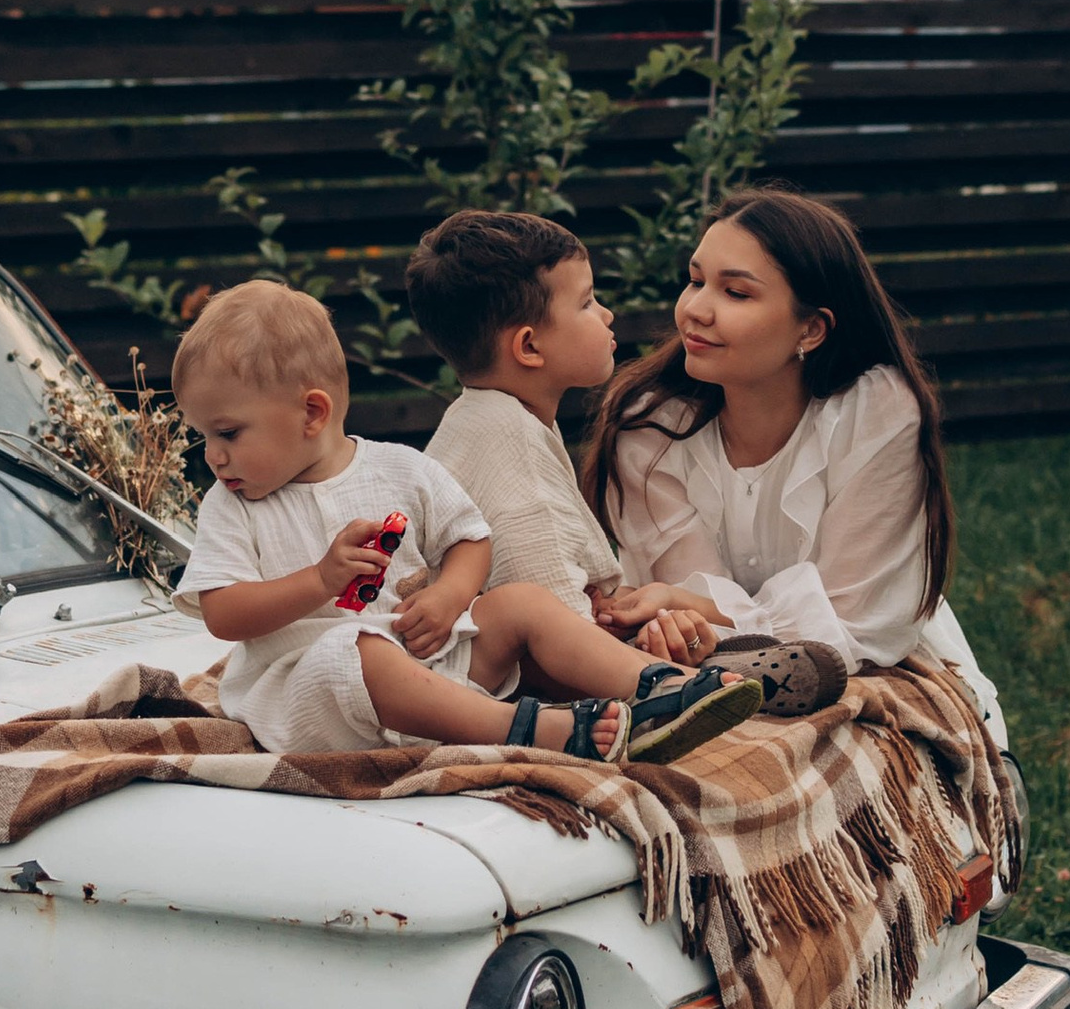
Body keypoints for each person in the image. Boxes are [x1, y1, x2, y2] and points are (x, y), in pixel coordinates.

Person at [170, 279, 764, 764]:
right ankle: (537, 729)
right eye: (204, 437)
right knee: (354, 648)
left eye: (226, 434)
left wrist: (453, 596)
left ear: (312, 412)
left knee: (521, 602)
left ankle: (662, 690)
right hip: (307, 693)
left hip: (428, 661)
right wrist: (319, 581)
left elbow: (470, 539)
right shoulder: (233, 506)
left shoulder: (398, 469)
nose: (212, 457)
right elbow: (223, 614)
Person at [585, 189, 1001, 722]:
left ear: (811, 329)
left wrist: (689, 607)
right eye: (695, 280)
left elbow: (854, 622)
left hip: (874, 664)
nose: (694, 309)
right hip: (698, 671)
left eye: (735, 292)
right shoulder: (648, 428)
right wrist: (685, 612)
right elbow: (695, 626)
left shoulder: (876, 412)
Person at [409, 207, 847, 711]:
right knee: (629, 649)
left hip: (505, 651)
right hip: (491, 674)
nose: (606, 315)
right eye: (587, 303)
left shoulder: (494, 420)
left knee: (657, 626)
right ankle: (697, 685)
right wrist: (617, 637)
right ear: (529, 347)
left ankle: (706, 669)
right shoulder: (504, 437)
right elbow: (549, 608)